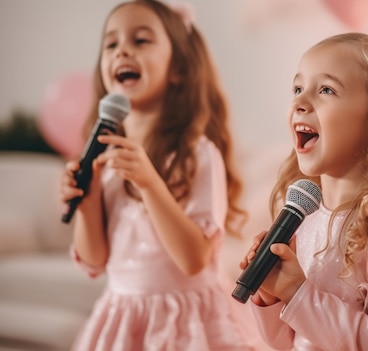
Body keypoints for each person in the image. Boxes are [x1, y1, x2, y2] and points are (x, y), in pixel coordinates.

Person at [59, 1, 257, 349]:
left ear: (178, 67)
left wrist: (150, 183)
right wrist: (88, 206)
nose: (122, 50)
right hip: (123, 316)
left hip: (189, 322)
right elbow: (94, 262)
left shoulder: (197, 154)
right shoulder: (106, 159)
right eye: (111, 44)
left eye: (140, 41)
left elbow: (193, 259)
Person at [239, 32, 368, 350]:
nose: (299, 102)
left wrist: (298, 292)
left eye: (326, 90)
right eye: (297, 88)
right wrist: (272, 293)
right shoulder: (306, 215)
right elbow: (290, 343)